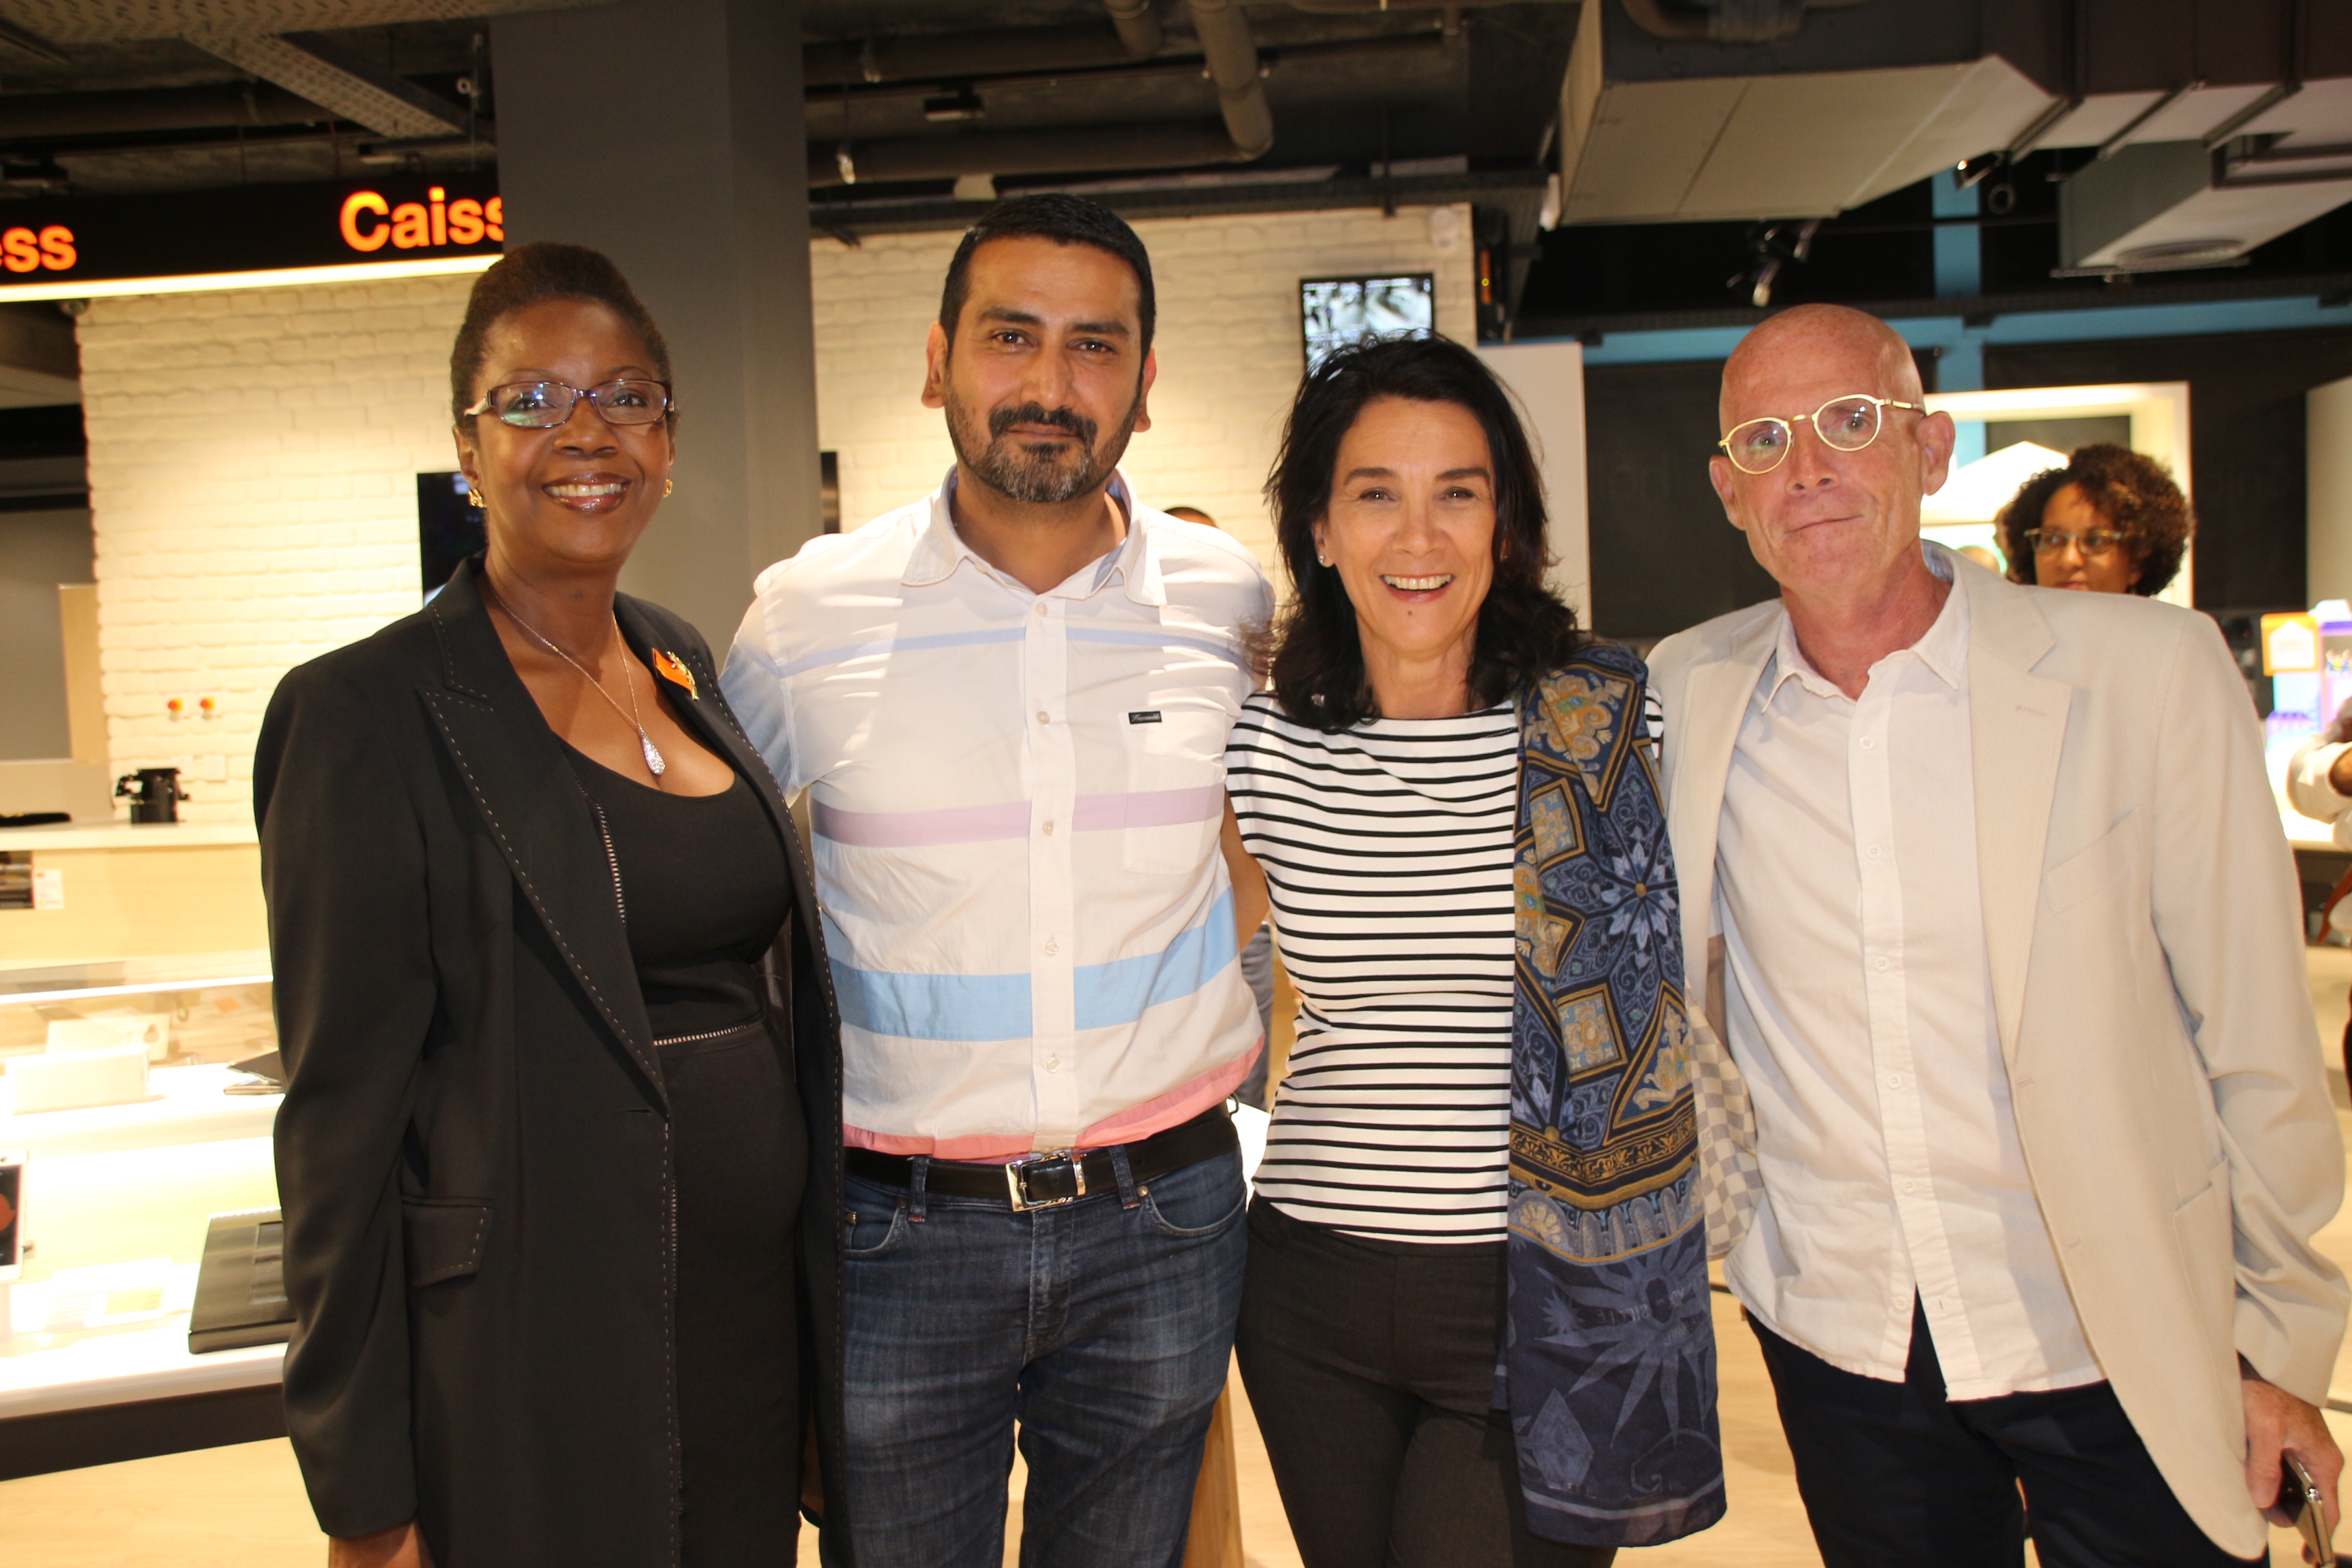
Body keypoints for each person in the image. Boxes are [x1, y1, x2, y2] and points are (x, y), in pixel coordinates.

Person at [1650, 302, 2347, 1567]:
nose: (1807, 468)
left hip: (2117, 1327)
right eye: (1764, 440)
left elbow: (2257, 1039)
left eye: (1849, 421)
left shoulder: (2147, 673)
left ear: (1930, 449)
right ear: (1728, 490)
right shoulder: (1683, 693)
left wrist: (2275, 1342)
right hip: (1843, 1333)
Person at [255, 244, 849, 1568]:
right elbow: (339, 1129)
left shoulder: (677, 656)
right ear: (467, 448)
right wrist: (363, 1489)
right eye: (532, 401)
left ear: (669, 441)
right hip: (533, 1345)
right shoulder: (365, 712)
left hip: (745, 1332)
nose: (586, 433)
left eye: (626, 397)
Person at [721, 194, 1272, 1568]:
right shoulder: (806, 616)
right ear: (938, 362)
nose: (1049, 382)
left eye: (1095, 345)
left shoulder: (1227, 600)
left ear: (1144, 383)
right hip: (898, 1231)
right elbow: (710, 883)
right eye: (1010, 336)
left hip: (1165, 1217)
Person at [1224, 335, 1722, 1567]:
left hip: (1549, 1283)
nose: (1418, 535)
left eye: (1458, 491)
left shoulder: (1609, 717)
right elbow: (1198, 975)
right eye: (1374, 493)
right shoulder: (1260, 746)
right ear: (1320, 528)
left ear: (1506, 523)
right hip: (1307, 1289)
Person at [1164, 502, 1279, 1111]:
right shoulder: (1143, 671)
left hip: (1236, 914)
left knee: (1244, 1089)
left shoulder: (1245, 673)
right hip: (1161, 935)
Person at [1995, 442, 2193, 596]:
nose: (2068, 560)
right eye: (2052, 539)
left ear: (2138, 562)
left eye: (2095, 541)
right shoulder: (2007, 636)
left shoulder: (2173, 636)